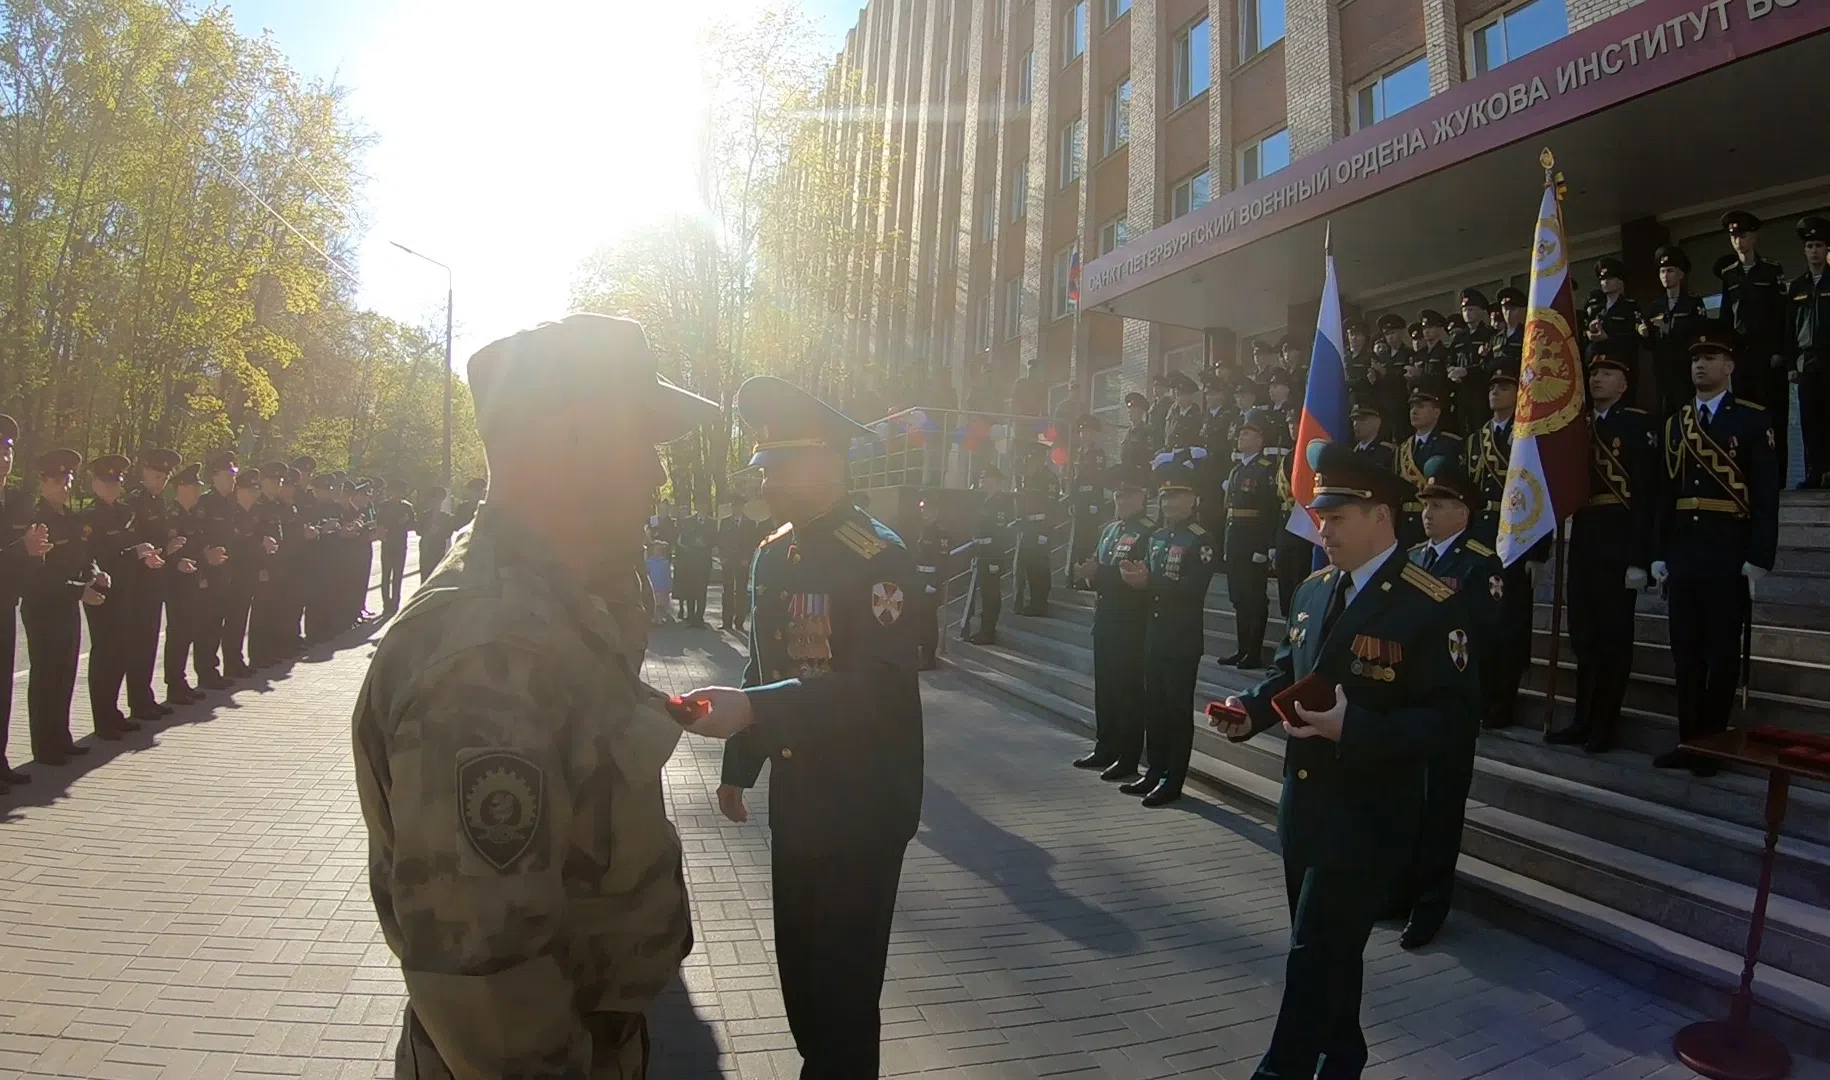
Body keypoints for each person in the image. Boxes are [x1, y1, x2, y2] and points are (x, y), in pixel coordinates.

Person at [354, 313, 711, 1078]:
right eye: (641, 440)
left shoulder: (555, 603)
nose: (658, 474)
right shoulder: (489, 654)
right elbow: (488, 982)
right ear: (572, 440)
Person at [678, 374, 923, 1080]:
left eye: (780, 464)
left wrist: (757, 710)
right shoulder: (771, 551)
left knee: (844, 993)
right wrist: (738, 766)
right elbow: (765, 662)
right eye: (763, 464)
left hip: (866, 801)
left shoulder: (876, 555)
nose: (767, 479)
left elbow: (876, 688)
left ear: (828, 464)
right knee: (803, 980)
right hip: (802, 796)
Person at [1211, 440, 1477, 1080]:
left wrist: (1355, 726)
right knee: (1331, 952)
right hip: (1303, 807)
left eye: (1335, 517)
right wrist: (1251, 710)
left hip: (1368, 812)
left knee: (1313, 953)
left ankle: (1284, 1071)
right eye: (1319, 515)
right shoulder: (1311, 590)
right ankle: (1345, 1056)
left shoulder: (1428, 603)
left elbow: (1451, 720)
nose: (1321, 528)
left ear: (1381, 517)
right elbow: (1285, 672)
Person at [1651, 326, 1781, 777]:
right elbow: (1665, 494)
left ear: (1729, 366)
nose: (1700, 365)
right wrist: (1659, 552)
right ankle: (1688, 741)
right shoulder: (1675, 423)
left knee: (1721, 654)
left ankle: (1713, 744)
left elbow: (1765, 494)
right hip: (1685, 552)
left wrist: (1761, 555)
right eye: (1694, 360)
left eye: (1710, 358)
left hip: (1728, 550)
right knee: (1685, 653)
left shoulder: (1750, 418)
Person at [1386, 455, 1500, 950]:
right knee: (1405, 805)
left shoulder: (1480, 563)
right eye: (1426, 504)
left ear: (1464, 511)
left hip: (1449, 704)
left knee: (1440, 811)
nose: (1428, 512)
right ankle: (1398, 895)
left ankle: (1430, 908)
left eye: (1439, 504)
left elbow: (1487, 633)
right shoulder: (1412, 557)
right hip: (1407, 702)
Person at [1547, 345, 1657, 753]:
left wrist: (1640, 557)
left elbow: (1647, 495)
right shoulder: (1578, 425)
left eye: (1608, 374)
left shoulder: (1636, 425)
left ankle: (1604, 725)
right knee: (1584, 637)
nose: (1597, 380)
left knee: (1613, 640)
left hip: (1620, 540)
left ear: (1624, 383)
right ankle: (1581, 718)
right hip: (1586, 538)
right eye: (1594, 375)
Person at [1115, 449, 1218, 808]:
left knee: (1175, 710)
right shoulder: (1157, 537)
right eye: (1165, 497)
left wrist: (1150, 582)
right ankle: (1154, 770)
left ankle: (1173, 779)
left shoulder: (1200, 539)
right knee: (1154, 707)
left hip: (1181, 638)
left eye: (1177, 496)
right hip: (1154, 634)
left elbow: (1192, 589)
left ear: (1193, 500)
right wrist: (1134, 580)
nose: (1170, 503)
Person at [24, 449, 106, 764]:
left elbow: (85, 557)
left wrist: (96, 575)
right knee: (45, 675)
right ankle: (44, 746)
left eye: (68, 480)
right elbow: (41, 575)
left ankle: (61, 736)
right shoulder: (35, 520)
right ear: (43, 483)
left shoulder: (72, 519)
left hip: (68, 606)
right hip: (43, 608)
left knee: (65, 673)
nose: (64, 486)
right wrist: (79, 591)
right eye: (58, 480)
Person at [1073, 468, 1153, 780]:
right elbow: (1102, 569)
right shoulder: (1109, 531)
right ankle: (1105, 746)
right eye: (1118, 495)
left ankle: (1129, 756)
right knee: (1105, 689)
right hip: (1105, 618)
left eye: (1127, 495)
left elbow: (1134, 576)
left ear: (1142, 497)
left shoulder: (1148, 533)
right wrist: (1089, 574)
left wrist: (1098, 573)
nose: (1121, 500)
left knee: (1127, 692)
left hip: (1129, 622)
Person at [80, 454, 160, 736]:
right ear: (95, 484)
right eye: (107, 481)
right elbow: (94, 556)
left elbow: (131, 547)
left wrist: (145, 556)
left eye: (117, 481)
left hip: (128, 590)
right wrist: (132, 554)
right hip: (104, 594)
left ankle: (113, 712)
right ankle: (102, 719)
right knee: (105, 654)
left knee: (121, 653)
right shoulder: (89, 518)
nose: (113, 486)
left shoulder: (126, 513)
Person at [1715, 211, 1793, 473]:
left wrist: (1780, 351)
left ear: (1754, 237)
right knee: (1743, 415)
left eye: (1743, 235)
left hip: (1767, 355)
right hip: (1741, 356)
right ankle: (1748, 473)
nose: (1739, 241)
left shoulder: (1772, 270)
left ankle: (1778, 474)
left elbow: (1782, 314)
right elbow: (1726, 317)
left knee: (1772, 416)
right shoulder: (1729, 274)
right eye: (1734, 236)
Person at [0, 417, 51, 787]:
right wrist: (23, 549)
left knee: (3, 687)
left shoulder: (16, 502)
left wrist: (37, 553)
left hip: (6, 605)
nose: (4, 458)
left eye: (8, 451)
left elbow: (22, 558)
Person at [125, 448, 180, 722]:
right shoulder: (134, 502)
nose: (159, 481)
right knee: (136, 644)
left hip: (156, 579)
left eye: (164, 477)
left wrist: (168, 548)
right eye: (156, 475)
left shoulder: (159, 502)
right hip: (139, 582)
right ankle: (137, 700)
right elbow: (129, 541)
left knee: (148, 643)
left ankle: (144, 697)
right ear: (145, 473)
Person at [1221, 414, 1279, 669]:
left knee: (1255, 598)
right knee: (1239, 598)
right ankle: (1242, 648)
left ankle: (1253, 652)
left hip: (1253, 540)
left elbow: (1271, 509)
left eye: (1247, 434)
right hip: (1235, 540)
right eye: (1240, 433)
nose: (1241, 437)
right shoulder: (1237, 470)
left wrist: (1264, 546)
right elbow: (1230, 512)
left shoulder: (1265, 468)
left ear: (1259, 440)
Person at [1641, 246, 1710, 416]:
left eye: (1670, 271)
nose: (1665, 275)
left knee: (1689, 414)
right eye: (1662, 271)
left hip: (1686, 371)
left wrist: (1669, 330)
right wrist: (1644, 334)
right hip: (1663, 372)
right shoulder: (1656, 305)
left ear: (1680, 274)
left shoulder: (1693, 302)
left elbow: (1700, 334)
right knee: (1666, 417)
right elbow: (1650, 344)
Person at [1394, 382, 1462, 549]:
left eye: (1421, 407)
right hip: (1406, 526)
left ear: (1436, 412)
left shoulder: (1451, 444)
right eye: (1412, 407)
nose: (1414, 411)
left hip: (1438, 522)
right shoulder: (1402, 449)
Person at [162, 465, 208, 706]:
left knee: (189, 631)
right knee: (178, 633)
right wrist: (175, 563)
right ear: (181, 488)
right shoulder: (171, 515)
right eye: (194, 486)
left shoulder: (197, 514)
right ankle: (174, 684)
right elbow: (163, 550)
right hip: (175, 583)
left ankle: (181, 681)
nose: (198, 490)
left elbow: (199, 546)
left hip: (193, 579)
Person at [1790, 216, 1830, 488]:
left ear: (1827, 250)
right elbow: (1788, 327)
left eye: (1818, 245)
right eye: (1809, 246)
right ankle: (1815, 473)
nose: (1814, 250)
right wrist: (1791, 362)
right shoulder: (1797, 287)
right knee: (1810, 421)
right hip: (1806, 360)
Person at [193, 450, 239, 683]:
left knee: (218, 623)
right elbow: (198, 535)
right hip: (209, 572)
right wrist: (205, 554)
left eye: (234, 475)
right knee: (207, 623)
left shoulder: (231, 503)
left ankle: (213, 669)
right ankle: (206, 671)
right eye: (229, 475)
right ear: (216, 477)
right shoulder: (206, 503)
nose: (233, 479)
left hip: (226, 572)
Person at [964, 467, 1013, 645]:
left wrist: (994, 559)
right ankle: (983, 629)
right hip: (983, 553)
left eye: (986, 478)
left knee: (991, 594)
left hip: (993, 554)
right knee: (985, 593)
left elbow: (1001, 532)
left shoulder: (1001, 502)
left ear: (995, 480)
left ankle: (988, 631)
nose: (983, 481)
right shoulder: (986, 501)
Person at [1063, 415, 1108, 587]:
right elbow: (1073, 480)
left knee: (1089, 541)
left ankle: (1088, 579)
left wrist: (1096, 502)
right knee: (1077, 541)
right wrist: (1071, 501)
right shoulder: (1077, 454)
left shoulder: (1098, 454)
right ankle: (1074, 576)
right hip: (1079, 501)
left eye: (1088, 432)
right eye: (1082, 432)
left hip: (1091, 500)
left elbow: (1099, 478)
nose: (1085, 435)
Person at [912, 493, 950, 669]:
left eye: (926, 509)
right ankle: (921, 655)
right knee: (919, 619)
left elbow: (943, 561)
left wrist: (934, 583)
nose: (923, 512)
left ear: (934, 512)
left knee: (929, 622)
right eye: (922, 509)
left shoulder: (939, 533)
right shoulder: (923, 530)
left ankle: (929, 657)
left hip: (931, 581)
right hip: (920, 578)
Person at [377, 493, 414, 617]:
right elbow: (379, 523)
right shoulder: (384, 506)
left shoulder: (407, 507)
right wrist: (396, 523)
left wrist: (405, 522)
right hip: (387, 543)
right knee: (386, 575)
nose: (396, 495)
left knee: (398, 576)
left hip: (400, 544)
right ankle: (386, 604)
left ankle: (395, 604)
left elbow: (413, 524)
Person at [676, 511, 715, 627]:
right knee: (690, 591)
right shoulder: (688, 521)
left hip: (703, 562)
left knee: (702, 591)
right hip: (690, 562)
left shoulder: (712, 522)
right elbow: (683, 539)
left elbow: (716, 539)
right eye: (700, 504)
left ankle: (699, 618)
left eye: (704, 505)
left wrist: (706, 544)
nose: (702, 507)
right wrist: (694, 543)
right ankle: (691, 617)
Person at [417, 486, 453, 579]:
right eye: (435, 501)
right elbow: (418, 530)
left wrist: (439, 531)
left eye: (439, 501)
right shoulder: (424, 516)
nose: (437, 504)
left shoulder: (445, 517)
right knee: (425, 574)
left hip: (439, 548)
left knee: (437, 574)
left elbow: (448, 533)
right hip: (426, 548)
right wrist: (428, 530)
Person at [1348, 401, 1393, 469]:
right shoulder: (1351, 453)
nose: (1355, 424)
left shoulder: (1387, 452)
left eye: (1361, 419)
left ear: (1377, 423)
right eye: (1354, 419)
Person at [646, 539, 675, 626]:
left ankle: (659, 618)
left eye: (660, 550)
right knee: (654, 603)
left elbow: (668, 575)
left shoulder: (665, 562)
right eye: (656, 550)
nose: (658, 552)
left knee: (661, 604)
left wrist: (670, 585)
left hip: (662, 587)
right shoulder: (648, 562)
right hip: (653, 586)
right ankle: (654, 617)